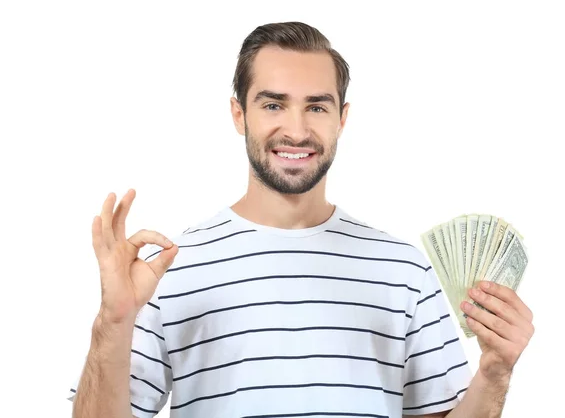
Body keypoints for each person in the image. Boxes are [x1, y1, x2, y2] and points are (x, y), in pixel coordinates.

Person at [67, 21, 534, 418]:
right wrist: (112, 322)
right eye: (273, 104)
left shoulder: (404, 271)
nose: (296, 129)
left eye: (316, 106)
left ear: (341, 118)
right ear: (238, 114)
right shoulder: (168, 271)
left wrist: (494, 373)